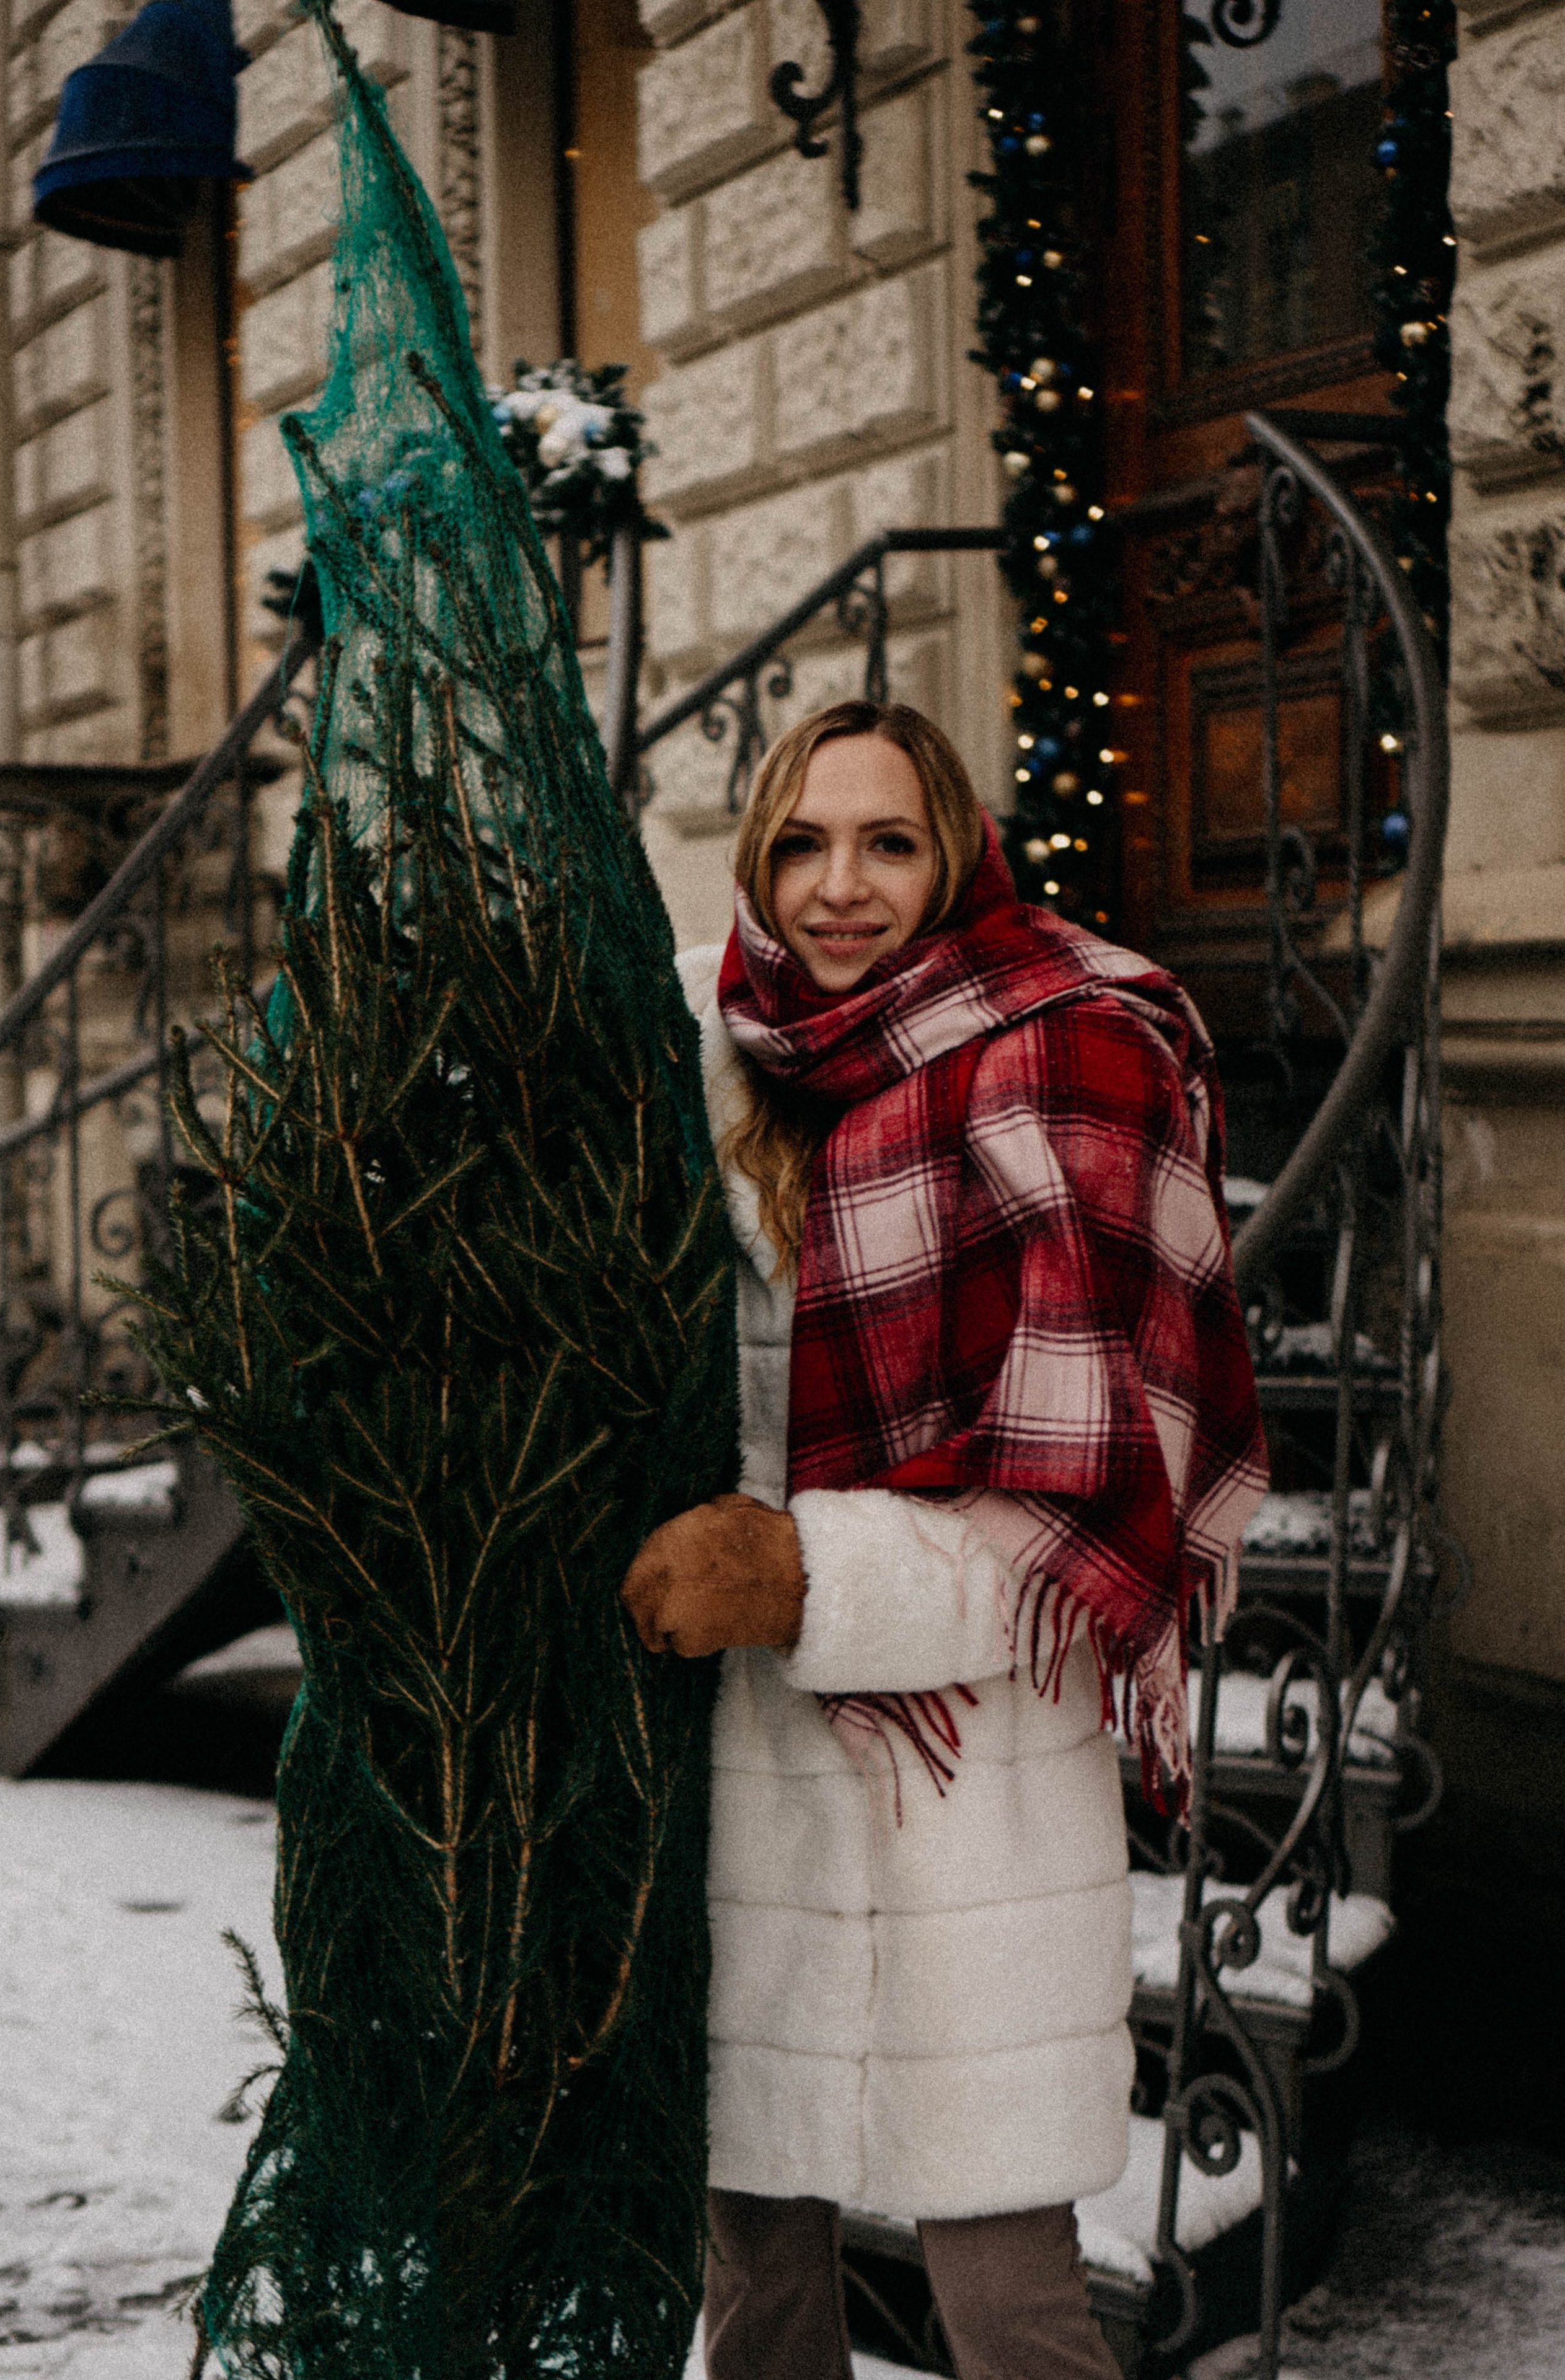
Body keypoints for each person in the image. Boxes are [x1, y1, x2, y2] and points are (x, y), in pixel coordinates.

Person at [622, 702, 1266, 2380]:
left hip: (975, 1782)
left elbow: (1080, 1518)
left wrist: (801, 1575)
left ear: (959, 857)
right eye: (801, 845)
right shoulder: (699, 1050)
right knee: (758, 2296)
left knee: (1013, 2310)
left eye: (889, 843)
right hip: (741, 1770)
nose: (840, 887)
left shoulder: (1071, 1056)